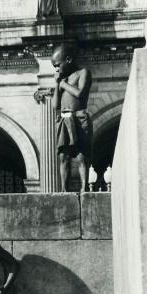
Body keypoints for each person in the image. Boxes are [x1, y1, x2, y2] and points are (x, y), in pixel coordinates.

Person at [51, 44, 93, 191]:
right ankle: (64, 188)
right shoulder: (62, 80)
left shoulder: (83, 73)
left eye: (57, 65)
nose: (56, 69)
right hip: (64, 119)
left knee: (81, 155)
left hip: (79, 117)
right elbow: (55, 105)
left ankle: (84, 187)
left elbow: (80, 94)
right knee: (63, 156)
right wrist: (57, 85)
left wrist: (64, 84)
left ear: (68, 59)